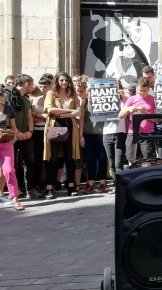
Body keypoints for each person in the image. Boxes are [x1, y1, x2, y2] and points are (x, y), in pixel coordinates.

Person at [43, 71, 82, 199]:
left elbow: (79, 112)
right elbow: (50, 110)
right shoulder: (51, 93)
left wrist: (62, 114)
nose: (64, 83)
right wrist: (69, 111)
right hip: (55, 126)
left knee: (69, 157)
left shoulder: (73, 93)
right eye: (61, 80)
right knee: (53, 158)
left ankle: (71, 185)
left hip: (70, 127)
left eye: (66, 80)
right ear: (57, 81)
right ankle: (49, 187)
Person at [77, 76, 108, 193]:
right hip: (88, 133)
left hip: (102, 133)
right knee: (90, 158)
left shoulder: (104, 100)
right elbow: (82, 118)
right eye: (89, 89)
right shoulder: (84, 102)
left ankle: (102, 182)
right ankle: (90, 182)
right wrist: (81, 136)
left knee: (102, 158)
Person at [120, 77, 157, 165]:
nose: (142, 93)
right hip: (133, 132)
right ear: (137, 88)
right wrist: (129, 109)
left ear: (148, 89)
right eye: (140, 90)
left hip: (147, 134)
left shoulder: (153, 99)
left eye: (145, 90)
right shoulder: (132, 99)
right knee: (131, 159)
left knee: (148, 161)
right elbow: (121, 115)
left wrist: (145, 114)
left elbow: (157, 120)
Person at [13, 75, 38, 198]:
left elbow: (29, 117)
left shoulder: (27, 99)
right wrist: (16, 133)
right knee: (12, 164)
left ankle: (30, 189)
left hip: (26, 135)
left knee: (30, 162)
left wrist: (30, 132)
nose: (33, 87)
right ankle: (17, 190)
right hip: (12, 136)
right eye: (32, 84)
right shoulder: (9, 96)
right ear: (27, 83)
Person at [0, 87, 24, 210]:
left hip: (6, 143)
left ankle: (15, 198)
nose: (2, 97)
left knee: (9, 171)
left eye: (2, 95)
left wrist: (14, 137)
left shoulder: (8, 109)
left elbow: (14, 127)